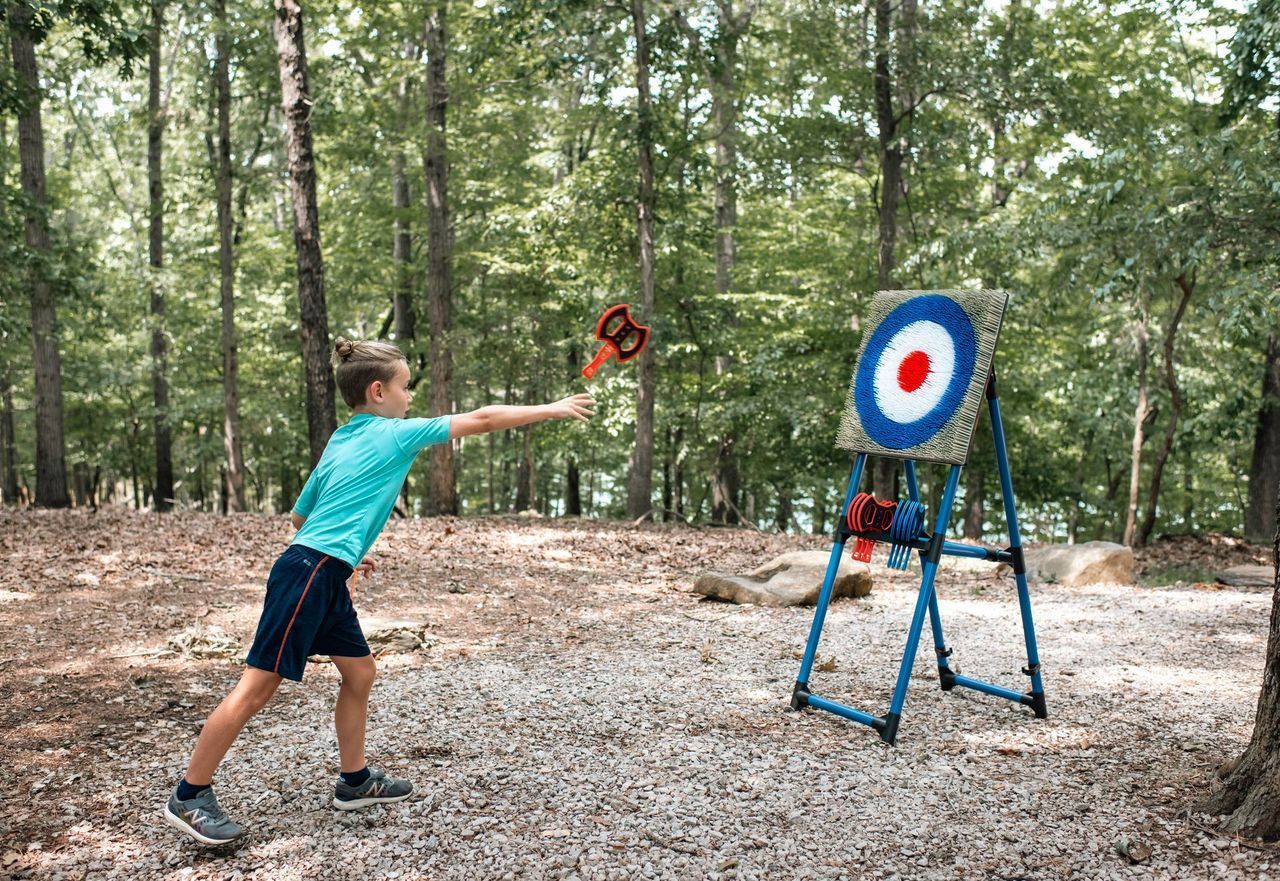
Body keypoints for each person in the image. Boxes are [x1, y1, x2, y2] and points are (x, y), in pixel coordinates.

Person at [163, 337, 595, 845]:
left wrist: (347, 547)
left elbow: (301, 515)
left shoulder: (341, 440)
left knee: (360, 672)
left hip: (320, 566)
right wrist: (552, 408)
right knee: (256, 688)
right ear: (377, 392)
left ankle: (355, 782)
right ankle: (190, 794)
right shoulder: (394, 435)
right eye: (405, 387)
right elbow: (479, 419)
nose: (410, 397)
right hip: (310, 572)